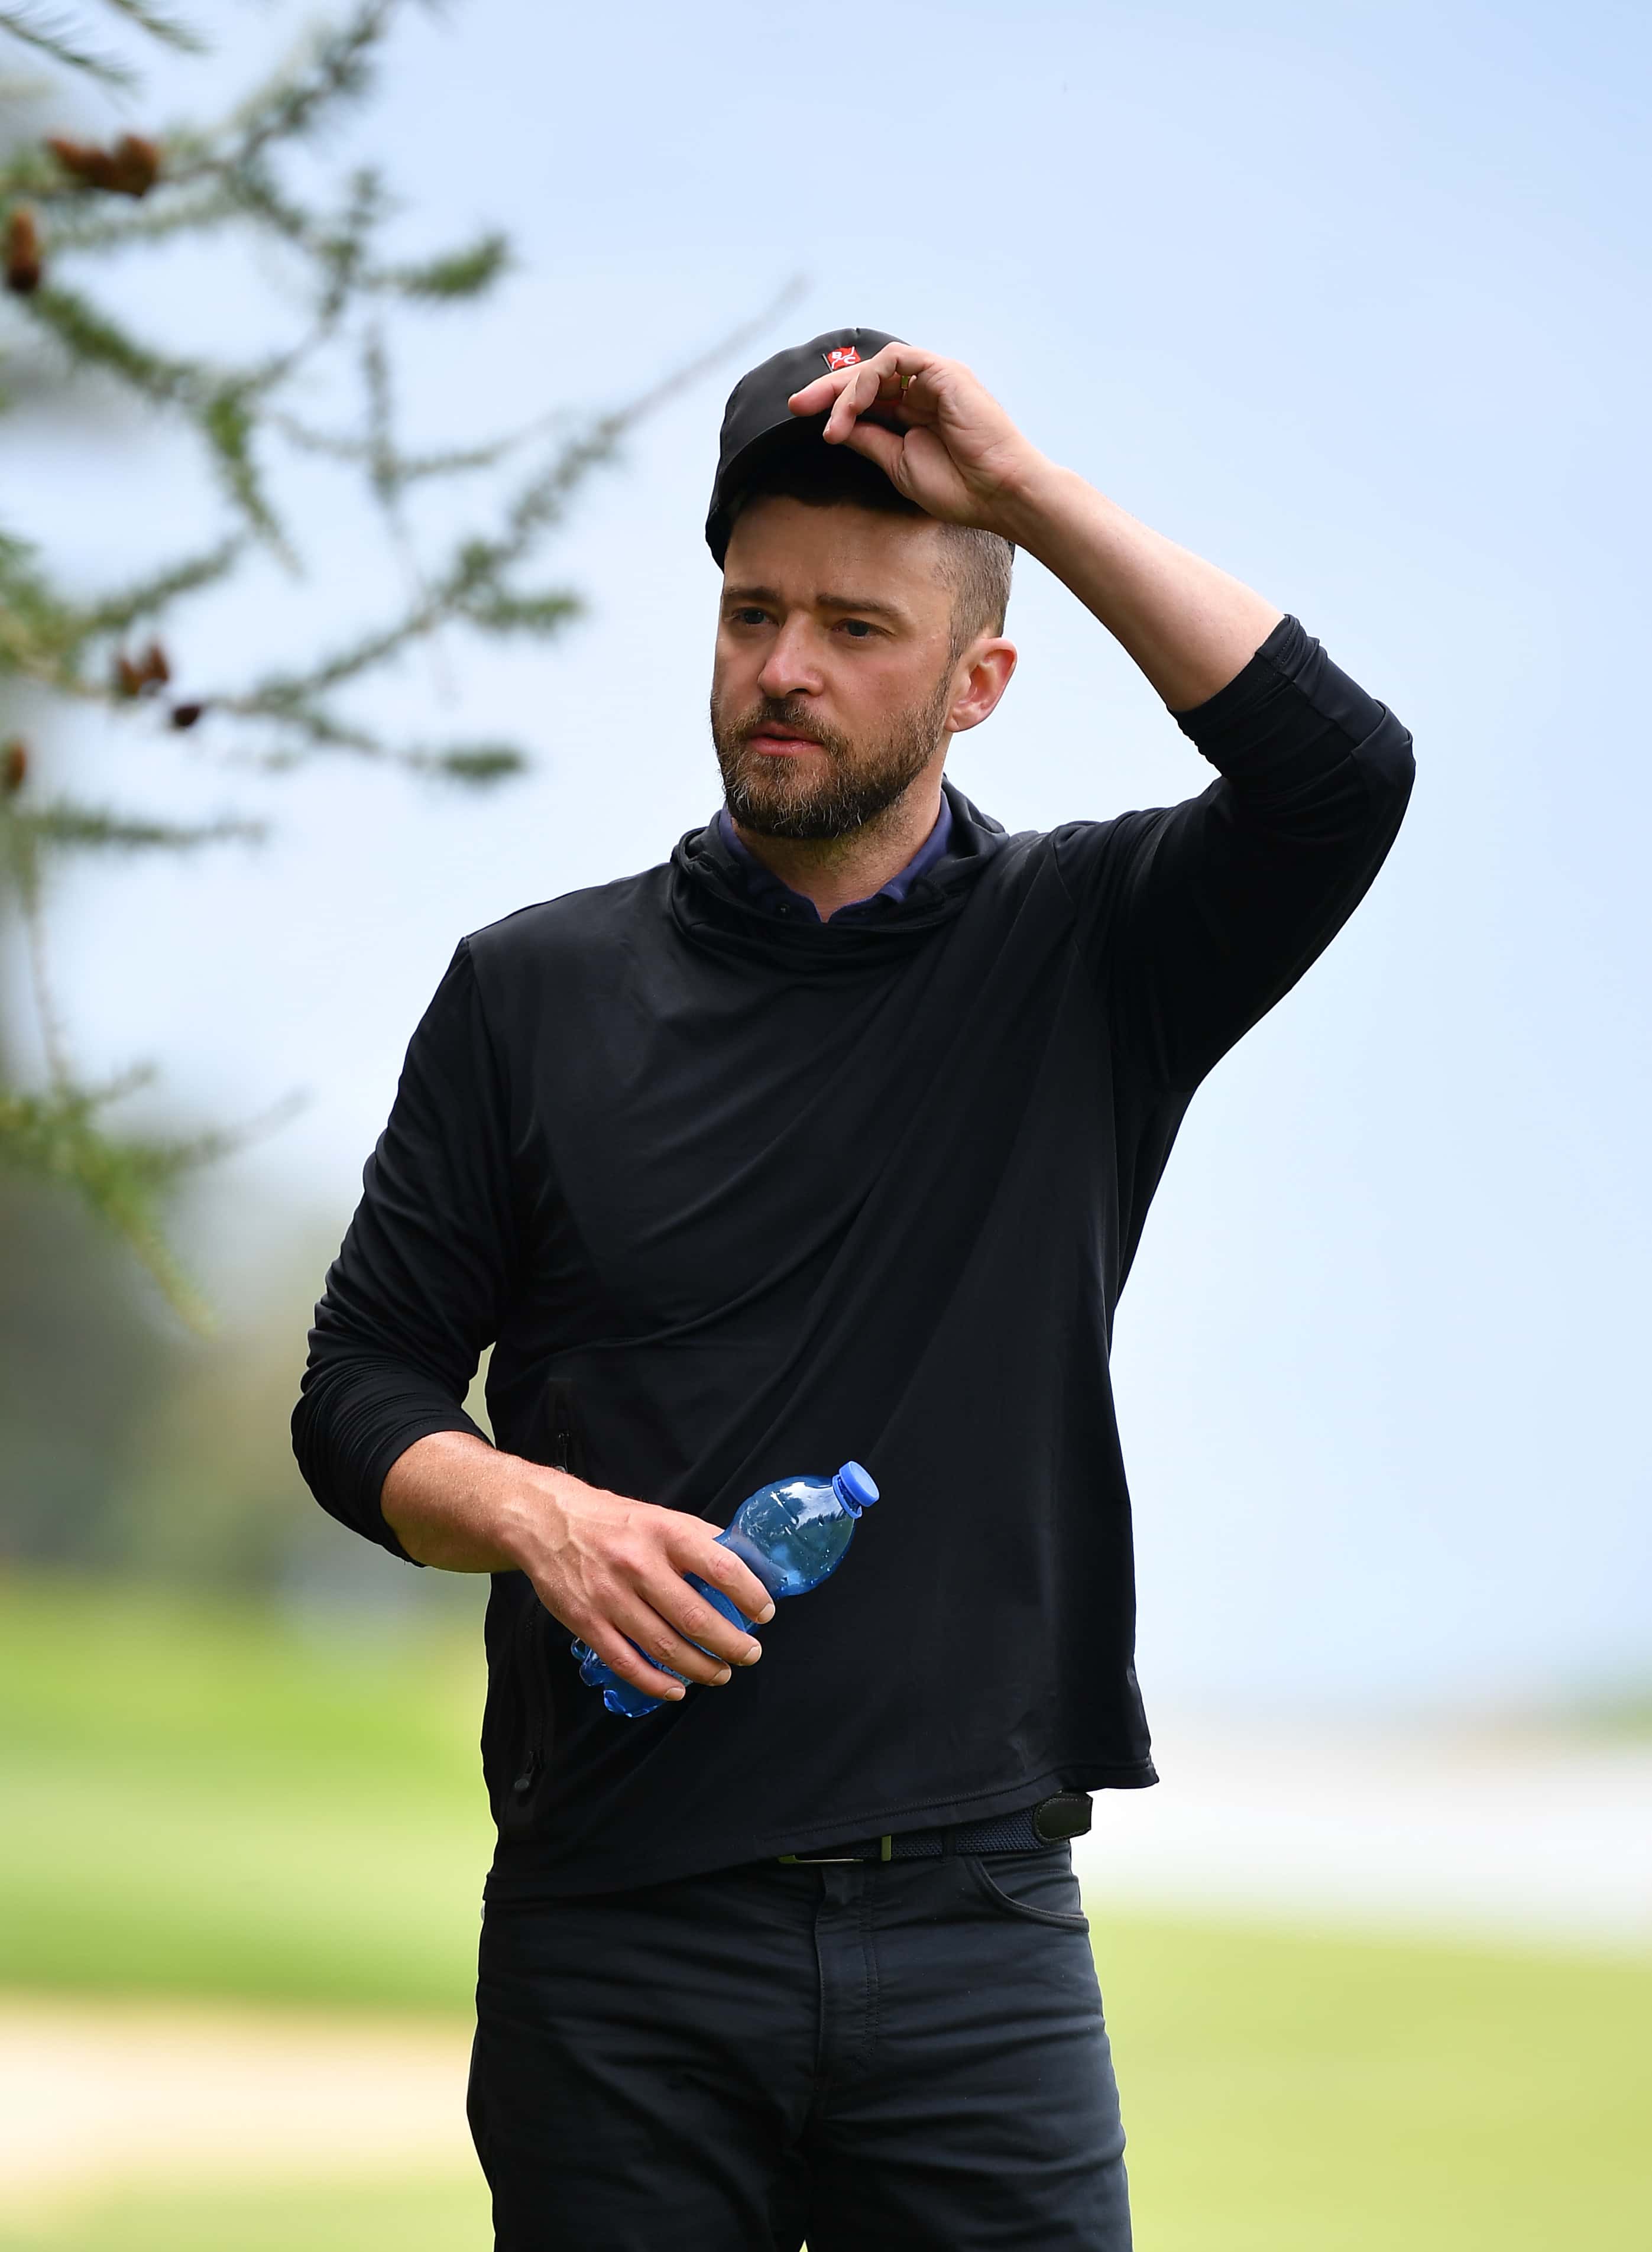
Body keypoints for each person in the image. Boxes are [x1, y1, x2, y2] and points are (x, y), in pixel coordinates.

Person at [293, 326, 1414, 2251]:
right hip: (616, 1943)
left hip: (974, 1933)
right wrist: (539, 1516)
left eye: (854, 626)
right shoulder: (528, 992)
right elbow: (357, 1391)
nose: (784, 667)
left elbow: (1338, 774)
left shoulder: (1094, 952)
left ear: (981, 680)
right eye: (751, 613)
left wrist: (1023, 497)